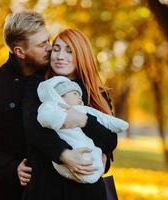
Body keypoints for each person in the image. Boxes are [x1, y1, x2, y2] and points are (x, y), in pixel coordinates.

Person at [0, 11, 92, 200]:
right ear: (20, 51)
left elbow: (93, 110)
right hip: (14, 192)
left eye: (48, 40)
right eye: (42, 44)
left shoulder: (60, 71)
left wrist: (104, 156)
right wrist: (12, 168)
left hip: (63, 188)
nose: (50, 48)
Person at [22, 29, 118, 200]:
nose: (60, 56)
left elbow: (110, 142)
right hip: (46, 187)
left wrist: (84, 121)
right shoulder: (40, 86)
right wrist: (65, 155)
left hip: (87, 190)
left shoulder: (97, 94)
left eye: (69, 51)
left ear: (81, 55)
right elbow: (34, 130)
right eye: (56, 48)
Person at [36, 76, 129, 183]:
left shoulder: (87, 106)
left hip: (90, 161)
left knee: (90, 155)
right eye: (75, 94)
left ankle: (92, 172)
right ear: (61, 97)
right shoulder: (54, 107)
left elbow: (105, 120)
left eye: (79, 94)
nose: (80, 97)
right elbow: (43, 120)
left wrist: (85, 121)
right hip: (56, 172)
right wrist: (62, 120)